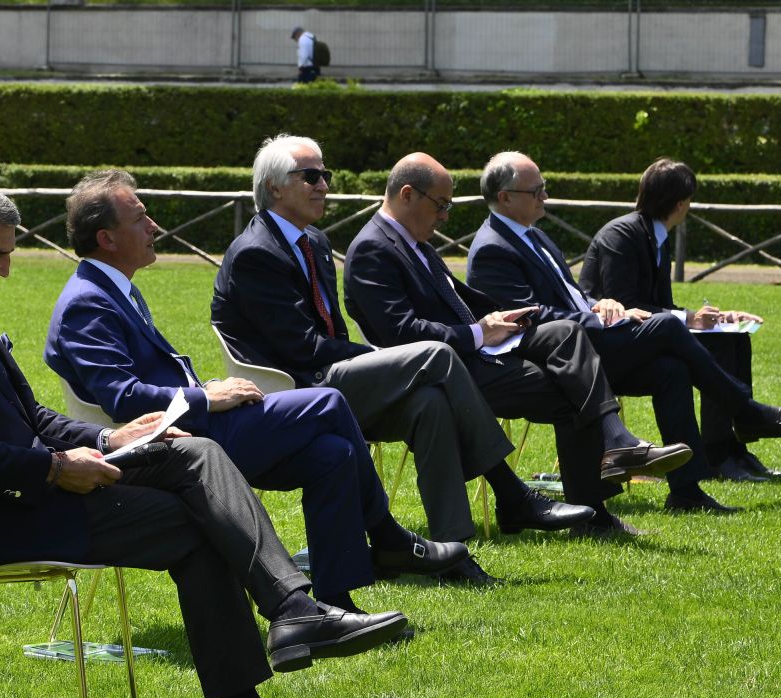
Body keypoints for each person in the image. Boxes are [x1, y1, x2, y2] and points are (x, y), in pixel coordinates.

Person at [0, 172, 409, 698]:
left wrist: (112, 438)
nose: (7, 268)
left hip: (33, 490)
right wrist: (52, 468)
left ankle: (290, 619)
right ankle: (253, 693)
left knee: (194, 452)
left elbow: (35, 419)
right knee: (200, 523)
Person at [44, 169, 466, 615]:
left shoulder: (113, 290)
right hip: (172, 447)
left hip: (197, 429)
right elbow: (122, 398)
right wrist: (209, 397)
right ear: (107, 239)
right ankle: (386, 535)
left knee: (333, 452)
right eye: (140, 219)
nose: (154, 227)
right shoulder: (88, 301)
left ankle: (338, 600)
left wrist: (207, 388)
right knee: (328, 400)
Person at [212, 135, 597, 587]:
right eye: (311, 176)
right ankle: (513, 494)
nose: (324, 186)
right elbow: (305, 350)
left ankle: (453, 555)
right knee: (435, 356)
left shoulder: (312, 241)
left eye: (325, 175)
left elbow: (329, 335)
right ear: (275, 188)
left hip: (329, 376)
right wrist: (378, 356)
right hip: (296, 391)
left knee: (430, 403)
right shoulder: (257, 252)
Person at [343, 152, 693, 536]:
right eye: (441, 205)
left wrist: (509, 316)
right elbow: (401, 333)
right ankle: (591, 506)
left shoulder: (415, 243)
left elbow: (465, 300)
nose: (445, 216)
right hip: (442, 373)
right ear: (407, 194)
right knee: (572, 388)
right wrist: (480, 333)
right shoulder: (372, 249)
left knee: (564, 333)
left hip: (476, 356)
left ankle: (613, 452)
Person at [467, 152, 781, 512]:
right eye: (536, 190)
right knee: (664, 325)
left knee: (672, 370)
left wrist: (599, 305)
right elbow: (530, 318)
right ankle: (745, 411)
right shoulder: (493, 248)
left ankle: (686, 491)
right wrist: (598, 319)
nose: (545, 196)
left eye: (544, 188)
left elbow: (573, 295)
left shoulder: (534, 236)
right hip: (555, 359)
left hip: (584, 344)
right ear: (505, 197)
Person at [580, 157, 781, 482]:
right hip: (608, 348)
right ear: (680, 203)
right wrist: (688, 317)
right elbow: (626, 305)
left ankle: (734, 447)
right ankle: (732, 434)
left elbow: (659, 306)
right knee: (715, 344)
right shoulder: (622, 234)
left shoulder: (654, 236)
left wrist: (712, 318)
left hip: (642, 337)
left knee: (731, 335)